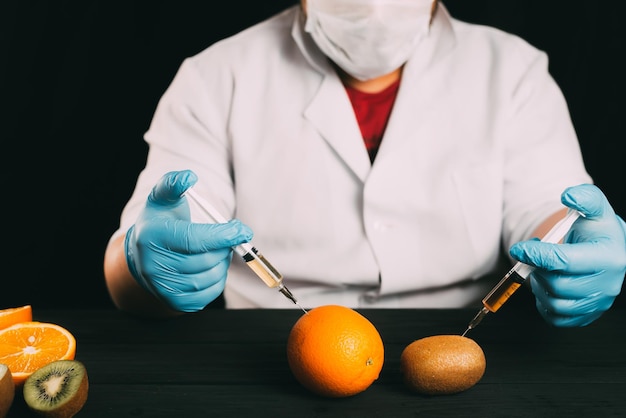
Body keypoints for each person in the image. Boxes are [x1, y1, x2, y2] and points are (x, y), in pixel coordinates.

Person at [104, 0, 625, 324]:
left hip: (466, 342)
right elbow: (143, 252)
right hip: (269, 344)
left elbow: (549, 209)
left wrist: (575, 246)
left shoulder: (512, 70)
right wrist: (141, 264)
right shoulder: (216, 75)